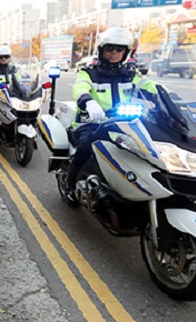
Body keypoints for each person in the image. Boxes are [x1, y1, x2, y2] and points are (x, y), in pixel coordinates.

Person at [65, 27, 158, 205]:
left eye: (119, 49)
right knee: (86, 146)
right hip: (91, 123)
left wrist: (171, 97)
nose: (114, 53)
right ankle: (70, 184)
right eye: (110, 48)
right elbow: (80, 87)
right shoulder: (89, 72)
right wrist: (88, 102)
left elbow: (150, 87)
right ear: (101, 50)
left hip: (125, 123)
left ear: (126, 52)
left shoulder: (130, 75)